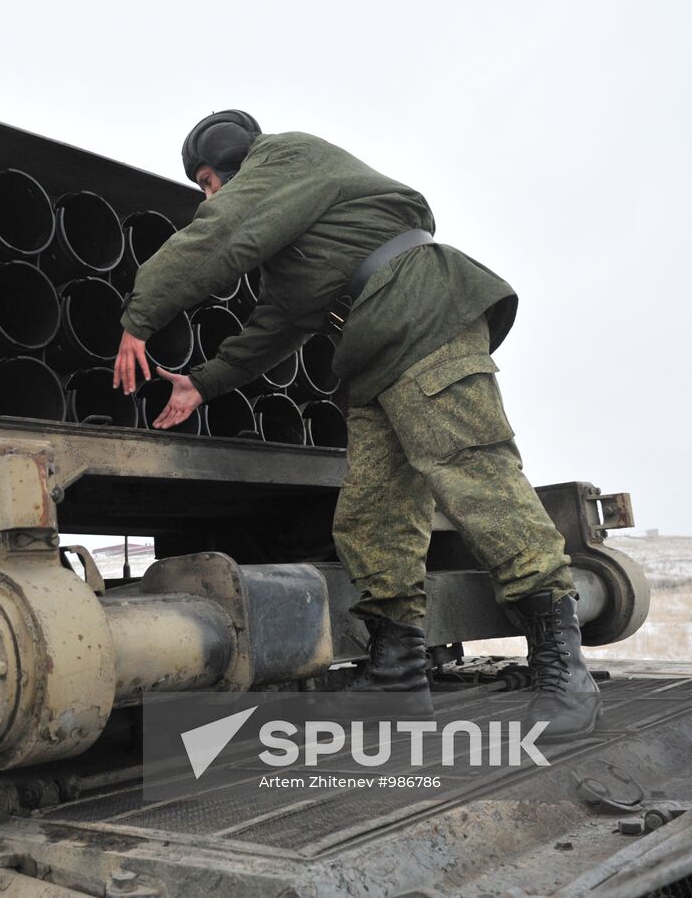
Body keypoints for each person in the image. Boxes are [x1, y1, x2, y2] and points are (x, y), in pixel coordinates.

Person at [113, 112, 599, 741]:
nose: (208, 194)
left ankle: (563, 667)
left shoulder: (285, 158)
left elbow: (220, 235)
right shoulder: (301, 250)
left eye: (209, 179)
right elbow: (278, 326)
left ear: (232, 159)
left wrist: (140, 315)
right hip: (372, 353)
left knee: (473, 476)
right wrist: (202, 383)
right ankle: (397, 677)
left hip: (420, 313)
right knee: (372, 514)